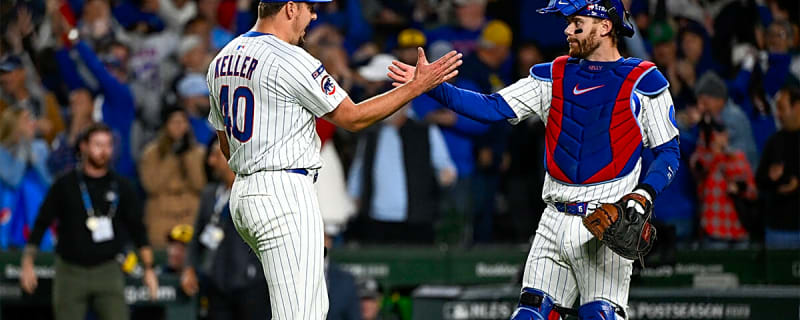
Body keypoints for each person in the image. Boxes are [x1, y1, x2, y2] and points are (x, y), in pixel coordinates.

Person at [388, 0, 679, 318]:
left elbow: (668, 152)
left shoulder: (644, 80)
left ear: (605, 26)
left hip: (605, 220)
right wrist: (433, 87)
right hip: (553, 219)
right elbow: (492, 107)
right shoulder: (552, 75)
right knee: (530, 314)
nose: (568, 29)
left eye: (577, 23)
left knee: (599, 314)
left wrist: (644, 194)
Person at [205, 1, 461, 318]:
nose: (313, 15)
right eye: (309, 7)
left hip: (244, 194)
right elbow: (353, 117)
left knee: (303, 308)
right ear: (289, 8)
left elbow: (226, 147)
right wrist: (417, 86)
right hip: (283, 191)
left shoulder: (223, 58)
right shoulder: (292, 57)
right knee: (301, 314)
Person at [19, 123, 158, 320]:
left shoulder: (122, 186)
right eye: (98, 145)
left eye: (108, 145)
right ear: (83, 146)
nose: (104, 151)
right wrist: (28, 262)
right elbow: (42, 222)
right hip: (70, 270)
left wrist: (149, 269)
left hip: (108, 269)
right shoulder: (65, 184)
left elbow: (138, 229)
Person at [182, 137, 270, 320]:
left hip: (251, 284)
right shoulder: (210, 194)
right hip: (218, 285)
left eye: (215, 155)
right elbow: (197, 236)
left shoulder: (256, 190)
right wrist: (189, 267)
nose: (210, 161)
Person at [139, 106, 206, 249]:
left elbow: (200, 185)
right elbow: (151, 186)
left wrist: (188, 157)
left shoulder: (198, 153)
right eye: (174, 122)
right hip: (161, 215)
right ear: (166, 126)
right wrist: (171, 157)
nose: (179, 127)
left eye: (183, 122)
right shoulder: (151, 153)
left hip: (189, 214)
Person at [756, 84, 800, 248]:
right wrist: (771, 178)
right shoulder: (774, 141)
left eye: (782, 108)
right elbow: (760, 180)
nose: (777, 114)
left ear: (796, 107)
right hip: (780, 229)